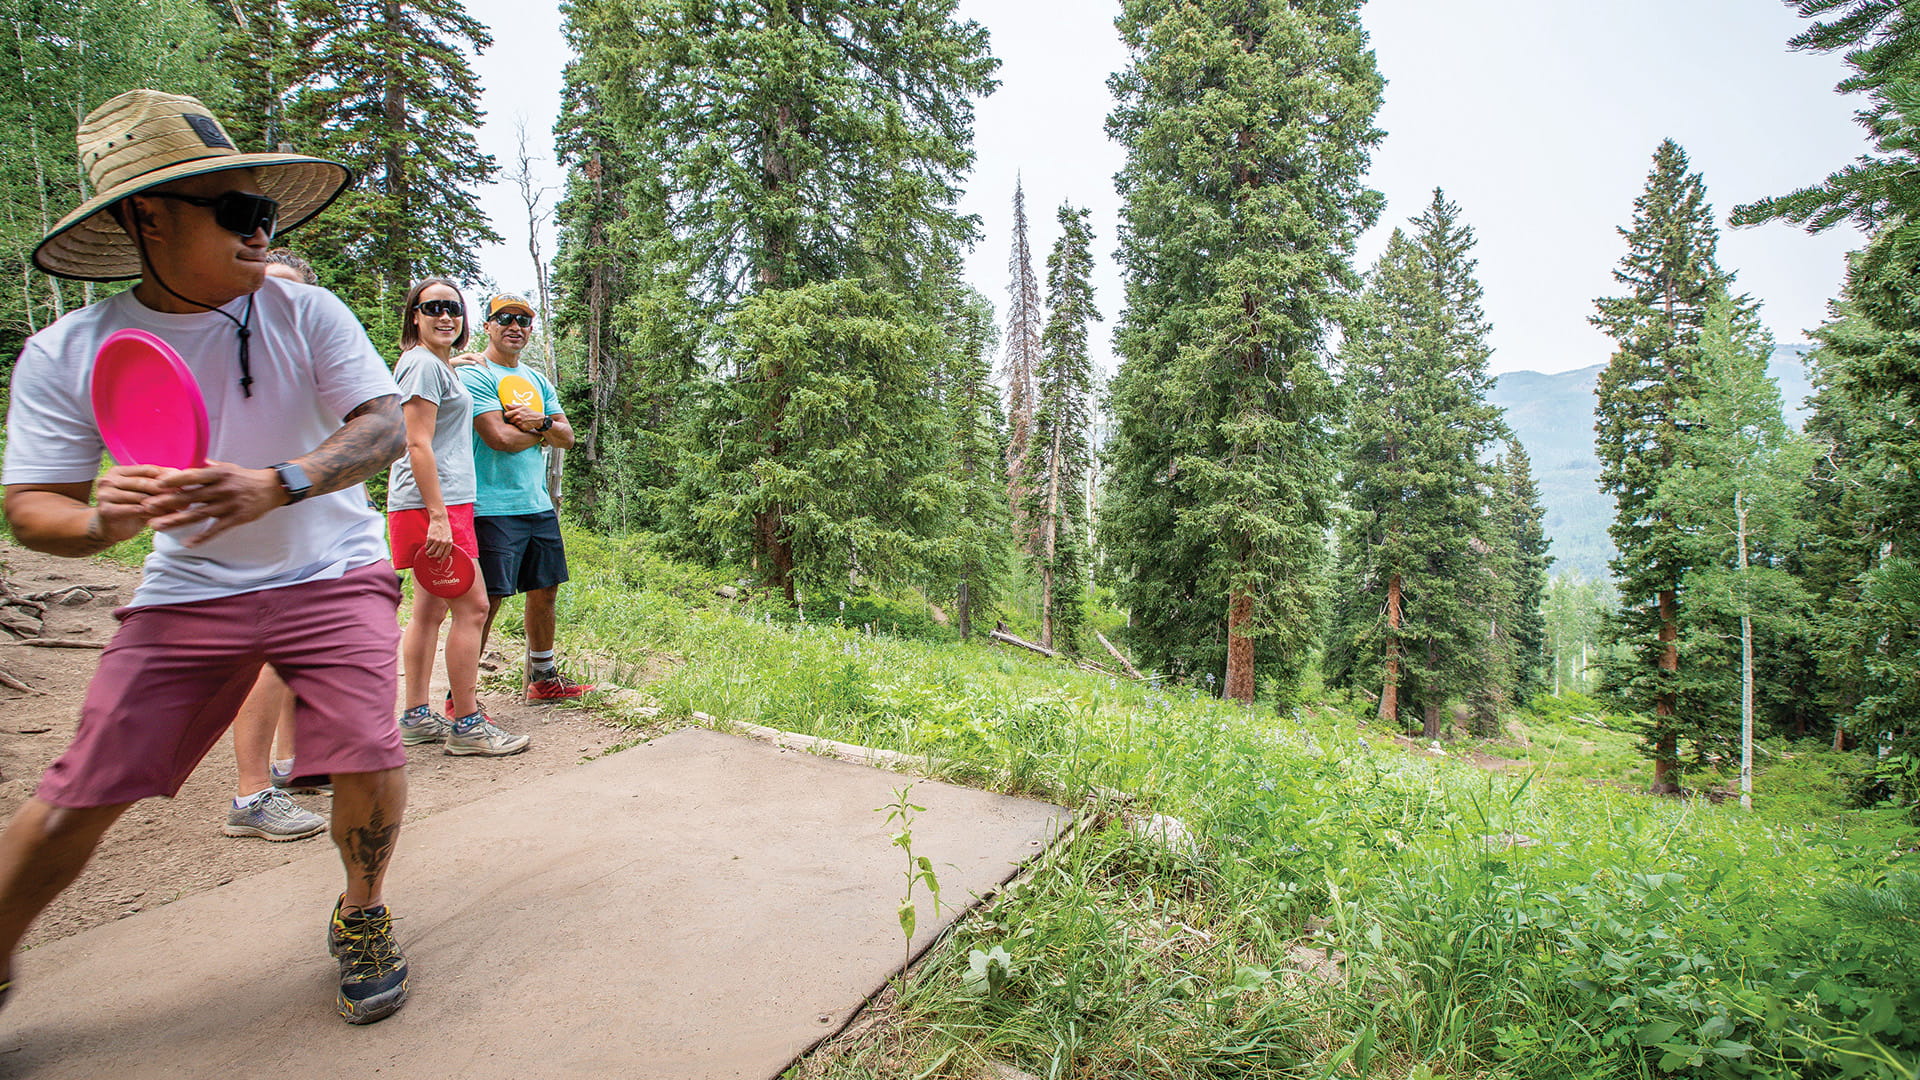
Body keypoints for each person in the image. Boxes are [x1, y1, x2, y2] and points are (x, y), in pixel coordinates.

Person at [0, 90, 412, 1024]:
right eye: (236, 211)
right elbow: (33, 510)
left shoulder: (306, 313)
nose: (262, 229)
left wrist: (285, 482)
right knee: (78, 794)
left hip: (331, 566)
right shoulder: (70, 350)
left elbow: (382, 425)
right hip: (186, 587)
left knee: (368, 747)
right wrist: (102, 522)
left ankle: (362, 912)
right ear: (148, 215)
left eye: (265, 210)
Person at [388, 280, 528, 755]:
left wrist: (454, 364)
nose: (446, 316)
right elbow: (416, 442)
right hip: (437, 505)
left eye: (453, 308)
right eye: (434, 308)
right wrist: (438, 518)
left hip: (442, 502)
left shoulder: (433, 365)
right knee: (474, 609)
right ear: (415, 316)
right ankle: (467, 723)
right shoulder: (422, 366)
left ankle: (414, 715)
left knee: (428, 611)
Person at [221, 248, 331, 842]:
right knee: (269, 659)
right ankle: (250, 794)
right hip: (254, 540)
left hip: (309, 532)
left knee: (298, 653)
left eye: (288, 296)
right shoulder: (225, 365)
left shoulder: (308, 366)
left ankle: (294, 764)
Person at [458, 294, 594, 703]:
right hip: (490, 505)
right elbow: (497, 438)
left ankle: (543, 678)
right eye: (505, 319)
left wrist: (543, 422)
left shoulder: (537, 381)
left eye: (524, 320)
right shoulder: (475, 374)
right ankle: (460, 697)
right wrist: (543, 431)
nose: (515, 326)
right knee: (488, 601)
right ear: (488, 325)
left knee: (545, 590)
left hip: (535, 504)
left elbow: (567, 438)